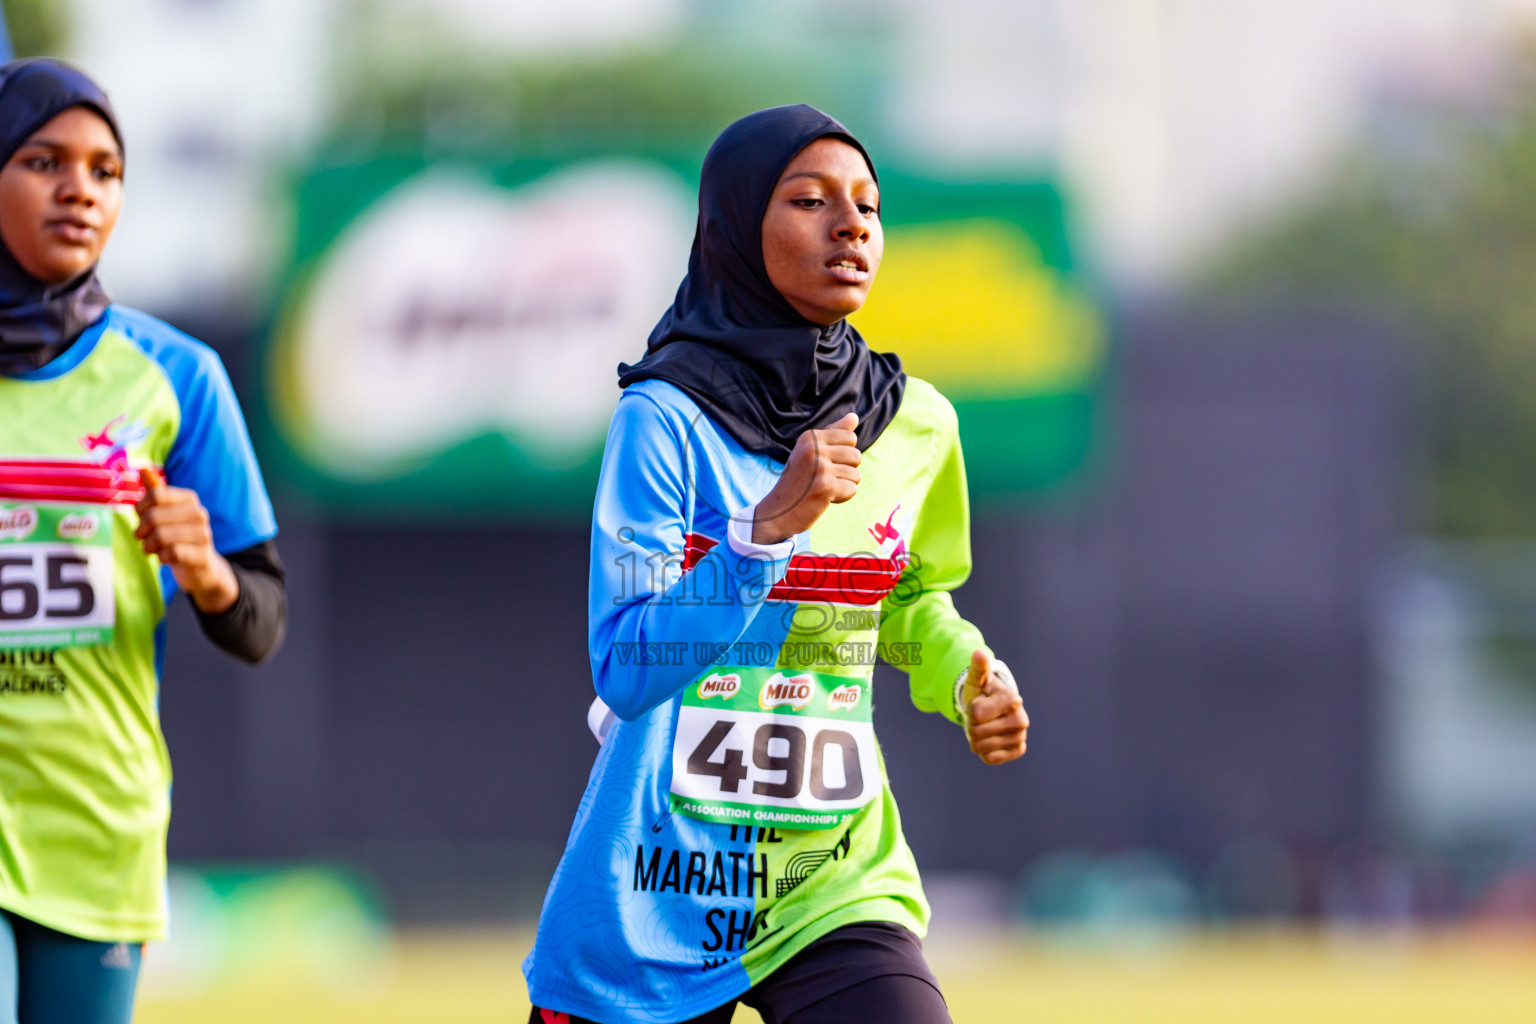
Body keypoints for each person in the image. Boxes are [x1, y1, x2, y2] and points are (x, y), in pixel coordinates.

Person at [523, 105, 1029, 1024]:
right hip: (653, 883)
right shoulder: (663, 420)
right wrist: (764, 533)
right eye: (809, 200)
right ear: (734, 226)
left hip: (832, 877)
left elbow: (911, 600)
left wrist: (965, 674)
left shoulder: (917, 425)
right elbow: (627, 668)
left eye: (868, 208)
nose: (851, 226)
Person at [0, 59, 286, 1024]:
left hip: (95, 826)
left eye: (106, 169)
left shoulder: (177, 377)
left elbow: (261, 623)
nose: (80, 187)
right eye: (44, 160)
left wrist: (205, 570)